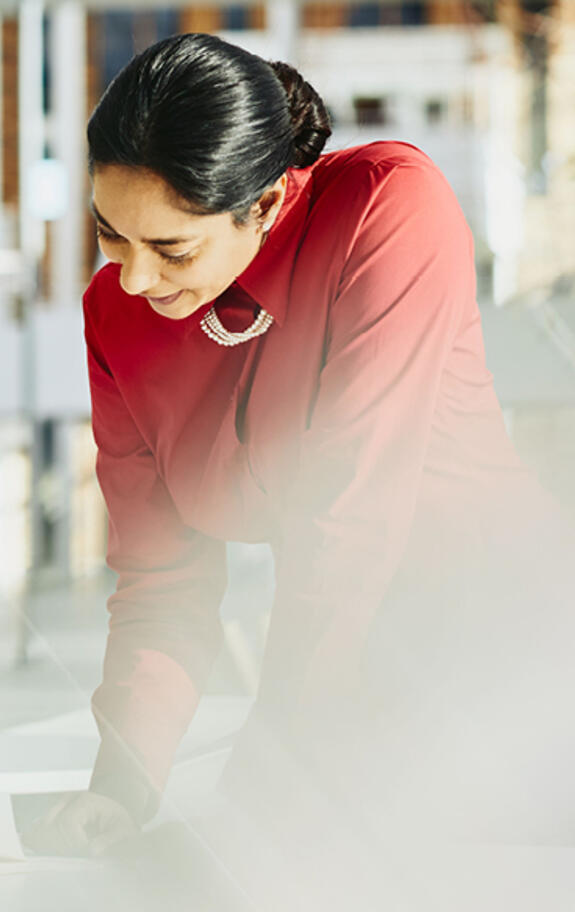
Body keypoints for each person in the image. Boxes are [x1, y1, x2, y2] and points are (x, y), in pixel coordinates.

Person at [34, 34, 575, 855]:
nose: (136, 279)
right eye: (111, 235)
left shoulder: (385, 206)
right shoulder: (115, 315)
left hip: (521, 656)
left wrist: (278, 757)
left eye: (172, 247)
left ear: (268, 201)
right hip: (359, 669)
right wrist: (124, 783)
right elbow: (160, 579)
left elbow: (348, 516)